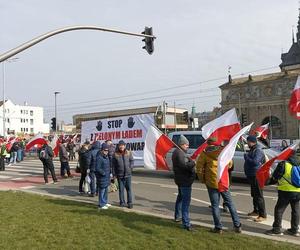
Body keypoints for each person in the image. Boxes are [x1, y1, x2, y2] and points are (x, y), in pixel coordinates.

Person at [196, 137, 241, 234]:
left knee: (215, 205)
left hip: (211, 182)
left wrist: (202, 179)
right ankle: (237, 225)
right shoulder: (223, 151)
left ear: (208, 143)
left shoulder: (204, 153)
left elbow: (199, 168)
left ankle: (218, 227)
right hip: (223, 181)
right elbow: (229, 164)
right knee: (230, 203)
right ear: (216, 143)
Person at [265, 154, 300, 236]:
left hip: (285, 191)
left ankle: (276, 229)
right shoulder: (298, 163)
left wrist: (266, 182)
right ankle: (294, 230)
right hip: (298, 191)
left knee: (279, 210)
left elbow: (275, 177)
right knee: (295, 210)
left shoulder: (283, 164)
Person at [172, 135, 195, 231]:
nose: (188, 146)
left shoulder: (179, 152)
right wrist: (193, 163)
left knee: (180, 198)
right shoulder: (179, 153)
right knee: (186, 202)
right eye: (186, 144)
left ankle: (178, 216)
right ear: (181, 144)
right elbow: (184, 166)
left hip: (181, 180)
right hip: (184, 181)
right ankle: (186, 223)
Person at [244, 135, 267, 222]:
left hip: (257, 175)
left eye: (248, 141)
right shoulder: (252, 149)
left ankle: (263, 215)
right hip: (252, 175)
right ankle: (256, 211)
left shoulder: (258, 150)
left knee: (259, 195)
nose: (247, 143)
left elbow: (255, 162)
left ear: (252, 141)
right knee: (254, 194)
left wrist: (246, 157)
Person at [112, 140, 134, 208]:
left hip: (128, 174)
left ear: (124, 146)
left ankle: (129, 203)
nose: (121, 146)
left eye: (123, 145)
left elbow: (132, 161)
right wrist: (114, 174)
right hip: (120, 175)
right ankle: (122, 202)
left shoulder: (128, 152)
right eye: (120, 145)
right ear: (118, 146)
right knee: (121, 190)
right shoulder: (115, 154)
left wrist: (130, 168)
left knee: (129, 189)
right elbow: (113, 165)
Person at [95, 143, 111, 209]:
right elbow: (97, 168)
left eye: (107, 150)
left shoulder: (106, 157)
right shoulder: (99, 157)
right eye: (105, 150)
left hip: (106, 177)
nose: (106, 151)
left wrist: (110, 173)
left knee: (106, 191)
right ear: (102, 150)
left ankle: (105, 202)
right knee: (102, 191)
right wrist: (103, 173)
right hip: (102, 177)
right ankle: (101, 204)